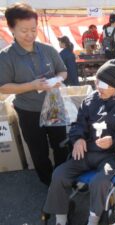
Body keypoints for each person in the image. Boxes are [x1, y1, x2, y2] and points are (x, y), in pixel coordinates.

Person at [43, 59, 115, 225]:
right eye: (97, 83)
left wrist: (114, 139)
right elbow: (78, 124)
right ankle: (61, 219)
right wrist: (78, 138)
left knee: (100, 181)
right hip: (86, 152)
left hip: (110, 156)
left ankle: (93, 220)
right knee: (59, 174)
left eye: (103, 85)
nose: (98, 89)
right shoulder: (90, 100)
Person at [0, 3, 68, 186]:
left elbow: (63, 71)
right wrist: (31, 85)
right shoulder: (6, 56)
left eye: (33, 29)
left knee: (61, 145)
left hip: (54, 106)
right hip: (28, 110)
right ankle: (48, 182)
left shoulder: (48, 49)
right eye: (24, 30)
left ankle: (63, 179)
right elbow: (3, 87)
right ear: (11, 28)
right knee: (38, 150)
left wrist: (57, 80)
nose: (30, 35)